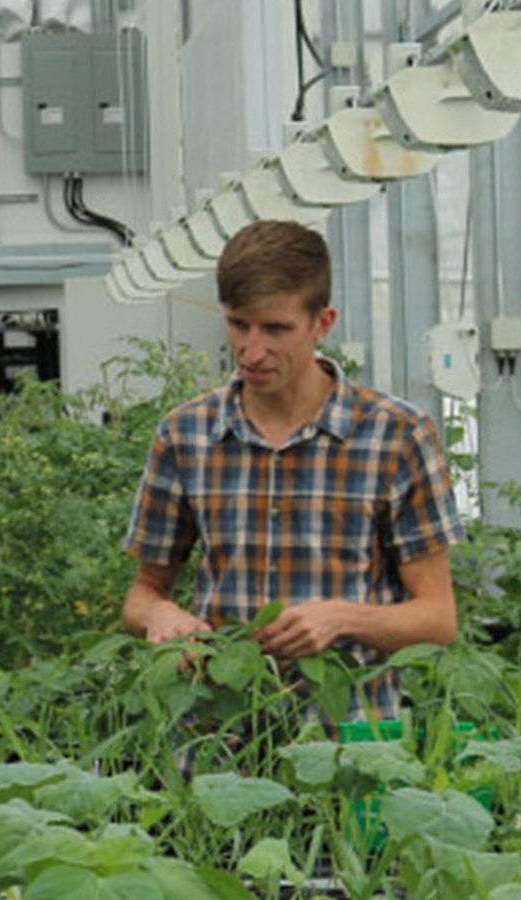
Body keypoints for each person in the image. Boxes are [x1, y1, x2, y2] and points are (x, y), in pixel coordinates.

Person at [121, 220, 464, 720]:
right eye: (239, 324)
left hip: (350, 750)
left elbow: (438, 619)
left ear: (322, 323)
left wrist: (343, 619)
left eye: (276, 329)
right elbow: (143, 593)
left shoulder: (395, 436)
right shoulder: (186, 435)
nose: (252, 351)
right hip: (218, 742)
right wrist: (163, 616)